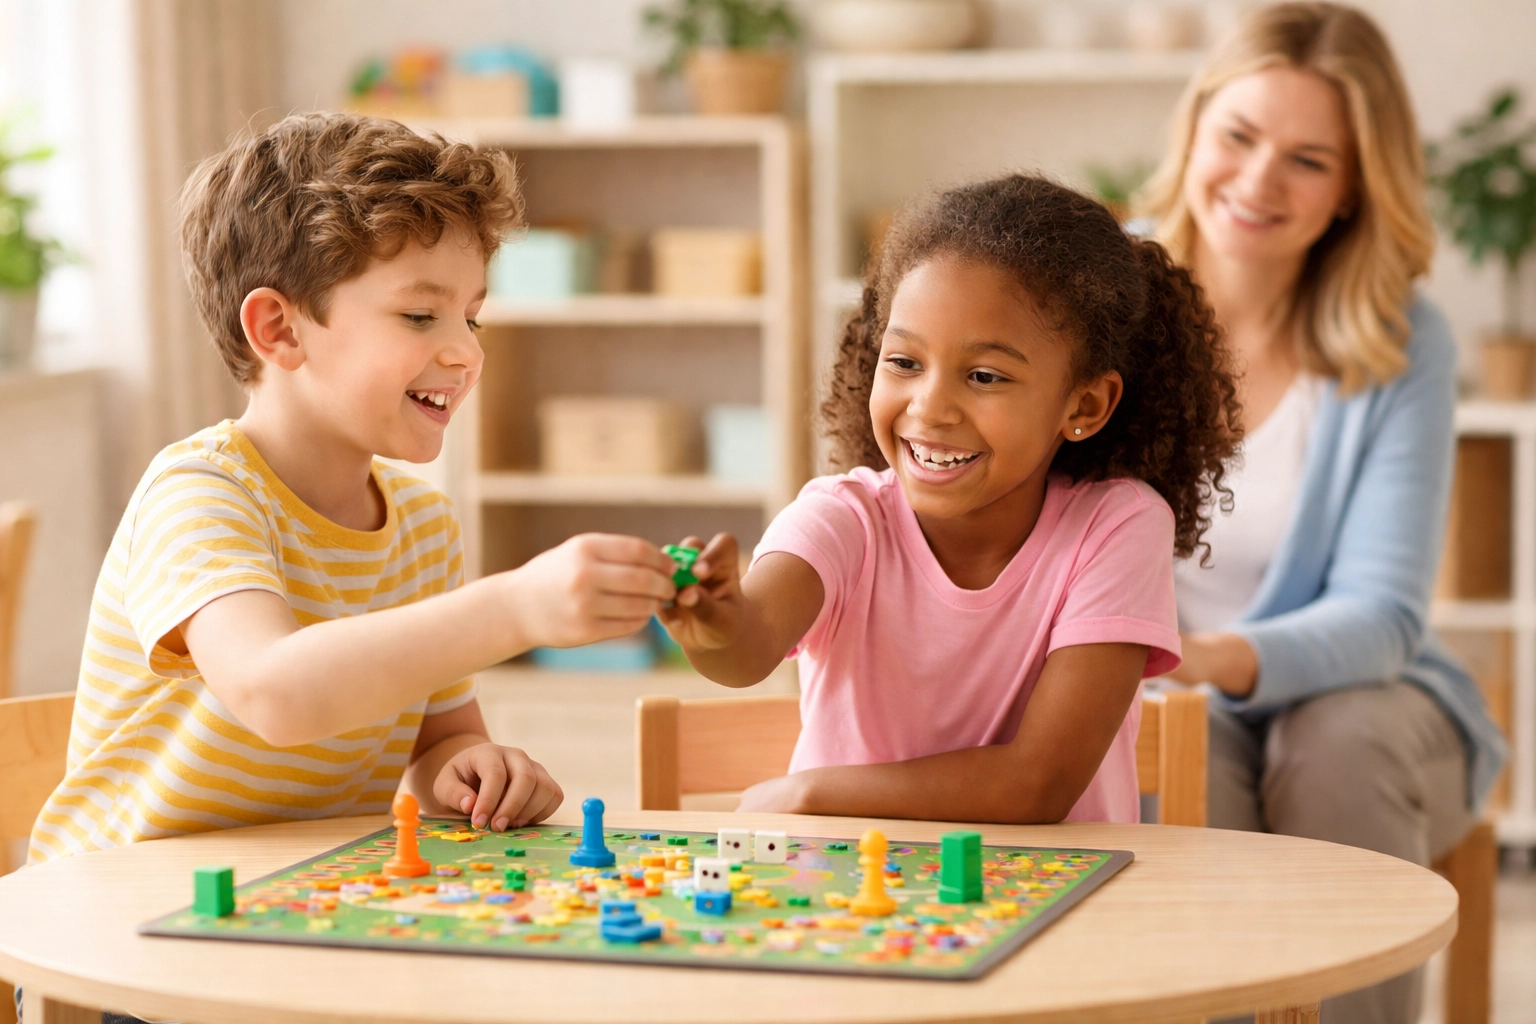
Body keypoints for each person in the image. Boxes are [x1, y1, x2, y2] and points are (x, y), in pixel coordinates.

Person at [27, 113, 681, 865]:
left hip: (290, 904)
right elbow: (277, 691)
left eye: (472, 317)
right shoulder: (200, 495)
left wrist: (472, 772)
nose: (466, 352)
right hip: (111, 931)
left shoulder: (424, 526)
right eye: (419, 314)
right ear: (279, 330)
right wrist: (516, 605)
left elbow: (438, 745)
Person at [1134, 4, 1507, 1022]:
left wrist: (1199, 657)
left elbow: (1382, 616)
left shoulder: (1399, 340)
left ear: (1352, 188)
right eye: (1241, 137)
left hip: (1364, 702)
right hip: (1163, 698)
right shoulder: (1100, 298)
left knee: (1334, 746)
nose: (1258, 182)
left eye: (1307, 159)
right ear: (1197, 125)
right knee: (1172, 751)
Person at [659, 174, 1241, 824]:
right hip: (854, 907)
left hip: (1075, 906)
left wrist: (810, 792)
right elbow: (751, 644)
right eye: (904, 362)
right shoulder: (842, 519)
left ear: (1084, 405)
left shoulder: (1118, 526)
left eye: (984, 376)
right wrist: (714, 623)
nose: (930, 408)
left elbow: (1038, 783)